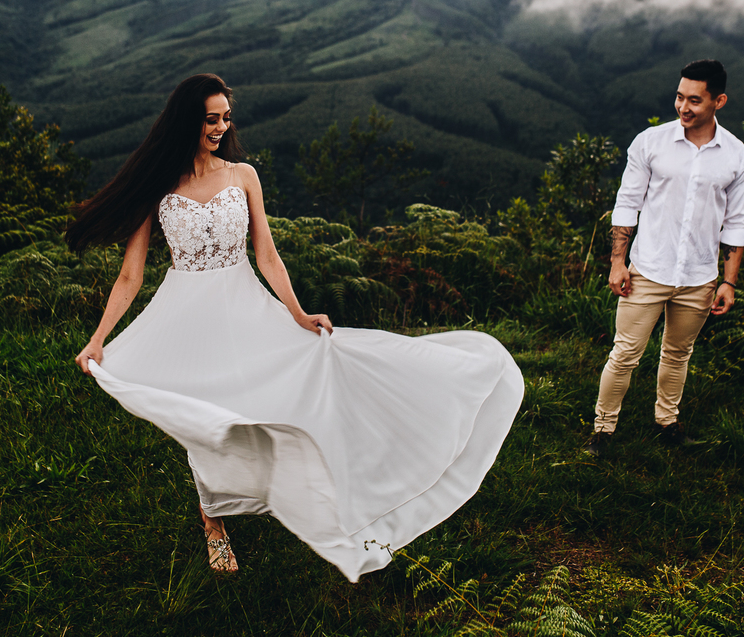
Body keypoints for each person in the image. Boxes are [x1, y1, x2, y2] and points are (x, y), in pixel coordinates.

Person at [67, 73, 523, 581]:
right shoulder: (158, 186)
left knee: (269, 399)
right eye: (211, 118)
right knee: (201, 416)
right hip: (185, 315)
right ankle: (213, 522)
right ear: (187, 122)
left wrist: (297, 313)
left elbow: (266, 253)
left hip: (242, 304)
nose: (222, 127)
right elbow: (131, 275)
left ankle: (287, 488)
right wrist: (98, 338)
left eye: (226, 117)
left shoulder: (243, 176)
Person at [585, 59, 744, 457]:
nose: (683, 107)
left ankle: (668, 423)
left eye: (695, 100)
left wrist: (728, 281)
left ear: (719, 101)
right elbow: (626, 205)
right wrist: (617, 263)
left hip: (699, 277)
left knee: (678, 353)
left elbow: (737, 220)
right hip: (647, 270)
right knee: (624, 354)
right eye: (679, 97)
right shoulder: (650, 143)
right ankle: (603, 430)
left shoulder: (736, 155)